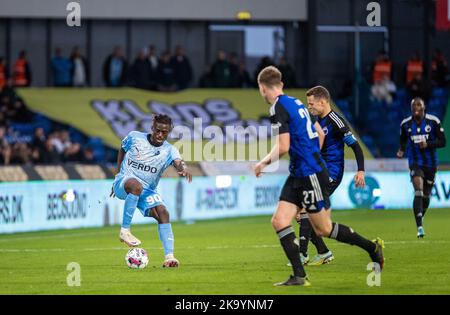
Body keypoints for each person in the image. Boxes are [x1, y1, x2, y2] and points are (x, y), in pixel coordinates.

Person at [254, 66, 384, 286]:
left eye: (260, 89)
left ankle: (372, 248)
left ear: (263, 87)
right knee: (279, 220)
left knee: (323, 229)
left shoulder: (278, 107)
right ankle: (299, 276)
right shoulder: (295, 103)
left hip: (310, 173)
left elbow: (283, 146)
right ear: (281, 84)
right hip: (299, 171)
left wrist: (263, 162)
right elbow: (318, 134)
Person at [294, 86, 366, 266]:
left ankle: (301, 255)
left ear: (323, 101)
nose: (309, 107)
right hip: (318, 172)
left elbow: (355, 146)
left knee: (305, 210)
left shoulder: (336, 121)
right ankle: (323, 252)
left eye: (311, 104)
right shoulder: (317, 121)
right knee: (305, 217)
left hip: (332, 173)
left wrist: (361, 170)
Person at [112, 114, 192, 267]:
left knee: (163, 212)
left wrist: (184, 168)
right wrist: (118, 175)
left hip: (147, 190)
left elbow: (178, 162)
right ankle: (125, 231)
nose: (160, 134)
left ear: (169, 131)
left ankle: (169, 257)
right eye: (158, 130)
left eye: (164, 132)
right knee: (135, 186)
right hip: (125, 182)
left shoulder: (169, 150)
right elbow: (122, 149)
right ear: (152, 128)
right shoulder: (135, 137)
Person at [397, 98, 446, 238]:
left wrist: (428, 144)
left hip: (431, 163)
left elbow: (443, 142)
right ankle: (419, 227)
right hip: (415, 162)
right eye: (414, 105)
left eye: (419, 104)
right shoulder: (405, 124)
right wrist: (401, 150)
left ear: (424, 107)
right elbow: (403, 139)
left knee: (426, 194)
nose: (416, 107)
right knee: (418, 188)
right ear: (411, 108)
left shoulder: (433, 121)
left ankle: (420, 216)